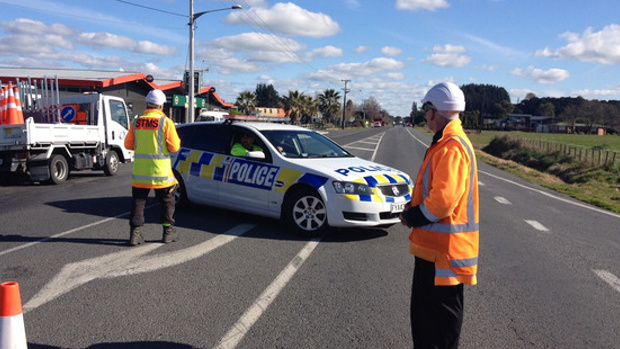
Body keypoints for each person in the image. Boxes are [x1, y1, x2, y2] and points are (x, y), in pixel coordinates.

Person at [399, 82, 479, 349]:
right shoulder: (447, 143)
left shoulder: (450, 147)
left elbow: (442, 203)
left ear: (434, 112)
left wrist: (413, 217)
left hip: (443, 256)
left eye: (426, 109)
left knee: (436, 331)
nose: (425, 115)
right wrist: (413, 211)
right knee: (429, 327)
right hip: (436, 253)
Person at [124, 89, 181, 246]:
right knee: (167, 201)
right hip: (161, 173)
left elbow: (128, 144)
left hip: (141, 173)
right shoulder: (165, 122)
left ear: (147, 104)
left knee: (138, 202)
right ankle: (168, 232)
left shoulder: (136, 122)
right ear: (161, 106)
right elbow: (175, 147)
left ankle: (135, 234)